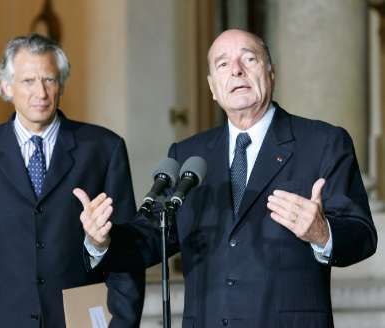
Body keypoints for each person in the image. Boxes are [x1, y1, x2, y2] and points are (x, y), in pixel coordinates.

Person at [75, 28, 377, 327]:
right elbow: (152, 237)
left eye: (249, 59)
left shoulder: (322, 142)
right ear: (212, 88)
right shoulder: (188, 155)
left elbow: (362, 235)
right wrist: (101, 241)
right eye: (223, 64)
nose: (236, 70)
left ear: (271, 73)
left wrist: (322, 233)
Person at [0, 34, 145, 328]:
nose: (41, 92)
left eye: (49, 79)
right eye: (28, 81)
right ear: (6, 87)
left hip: (80, 321)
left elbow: (128, 252)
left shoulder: (103, 149)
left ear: (61, 84)